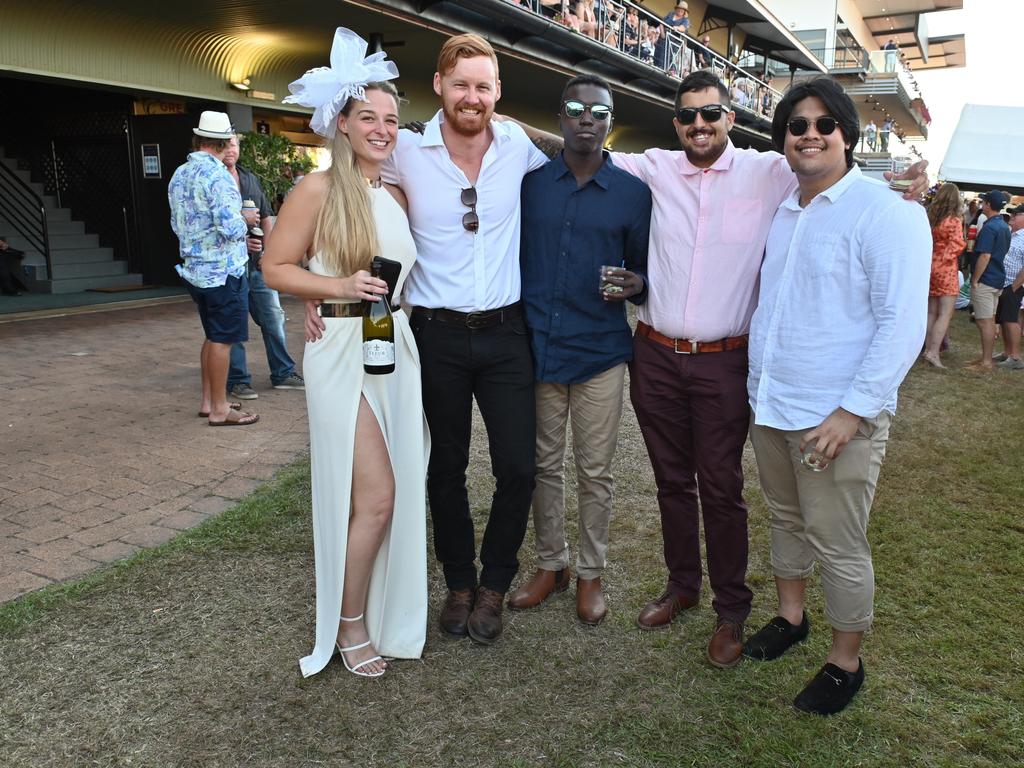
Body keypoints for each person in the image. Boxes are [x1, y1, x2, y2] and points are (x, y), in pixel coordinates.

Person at [507, 69, 928, 669]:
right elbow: (576, 143)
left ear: (731, 118)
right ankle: (682, 587)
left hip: (726, 362)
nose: (699, 125)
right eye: (687, 116)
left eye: (711, 114)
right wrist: (491, 125)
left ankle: (732, 608)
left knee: (722, 488)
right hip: (654, 353)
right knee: (672, 483)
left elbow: (832, 165)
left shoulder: (770, 169)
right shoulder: (651, 167)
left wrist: (904, 177)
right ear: (675, 122)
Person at [305, 33, 551, 645]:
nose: (472, 96)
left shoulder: (519, 144)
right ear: (439, 87)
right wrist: (318, 287)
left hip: (506, 333)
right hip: (433, 335)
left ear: (498, 93)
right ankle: (459, 583)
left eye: (484, 86)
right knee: (444, 465)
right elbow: (342, 197)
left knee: (519, 466)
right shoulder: (407, 150)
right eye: (461, 84)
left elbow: (579, 163)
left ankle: (496, 581)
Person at [743, 76, 930, 715]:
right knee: (786, 521)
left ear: (847, 134)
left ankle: (845, 661)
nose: (811, 135)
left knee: (839, 541)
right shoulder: (785, 209)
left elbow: (901, 322)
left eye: (825, 124)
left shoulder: (886, 212)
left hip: (834, 417)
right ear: (783, 141)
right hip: (772, 404)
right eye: (797, 126)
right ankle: (791, 619)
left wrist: (853, 411)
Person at [262, 28, 428, 678]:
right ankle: (350, 622)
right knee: (377, 496)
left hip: (393, 343)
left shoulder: (395, 195)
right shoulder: (318, 190)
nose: (383, 129)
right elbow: (275, 267)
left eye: (391, 120)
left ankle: (383, 612)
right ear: (343, 123)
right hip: (339, 353)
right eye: (370, 118)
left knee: (397, 488)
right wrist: (332, 288)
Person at [508, 75, 651, 625]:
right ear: (561, 116)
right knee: (544, 466)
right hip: (539, 347)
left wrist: (634, 284)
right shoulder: (532, 185)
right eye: (575, 108)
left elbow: (644, 269)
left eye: (598, 110)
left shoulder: (634, 194)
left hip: (599, 353)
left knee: (596, 471)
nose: (586, 117)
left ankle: (591, 572)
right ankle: (551, 564)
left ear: (609, 120)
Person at [168, 111, 259, 427]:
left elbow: (175, 222)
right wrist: (246, 221)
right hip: (224, 271)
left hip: (195, 269)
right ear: (223, 142)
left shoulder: (180, 174)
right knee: (222, 339)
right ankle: (220, 409)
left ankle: (209, 402)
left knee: (211, 335)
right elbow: (230, 228)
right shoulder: (218, 176)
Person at [221, 134, 305, 400]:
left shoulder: (249, 178)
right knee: (234, 323)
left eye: (233, 144)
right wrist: (238, 242)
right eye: (224, 145)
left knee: (273, 317)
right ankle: (237, 380)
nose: (229, 150)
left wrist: (267, 254)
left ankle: (283, 372)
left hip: (257, 266)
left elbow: (267, 216)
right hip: (228, 267)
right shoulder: (213, 182)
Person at [922, 183, 966, 367]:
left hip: (929, 265)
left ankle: (925, 349)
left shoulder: (930, 218)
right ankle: (933, 352)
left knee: (931, 311)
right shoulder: (954, 220)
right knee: (945, 313)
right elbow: (957, 244)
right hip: (945, 268)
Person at [967, 190, 1011, 371]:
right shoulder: (1003, 226)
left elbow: (985, 256)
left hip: (986, 278)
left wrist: (975, 280)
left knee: (984, 321)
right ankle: (985, 358)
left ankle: (986, 362)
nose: (981, 204)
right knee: (989, 321)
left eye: (984, 201)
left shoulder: (990, 227)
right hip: (997, 278)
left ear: (988, 205)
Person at [993, 204, 1024, 369]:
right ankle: (1007, 352)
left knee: (1011, 320)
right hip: (1004, 283)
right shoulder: (1012, 234)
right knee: (1004, 319)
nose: (1012, 216)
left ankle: (1016, 357)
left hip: (1014, 285)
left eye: (1016, 214)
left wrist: (1014, 286)